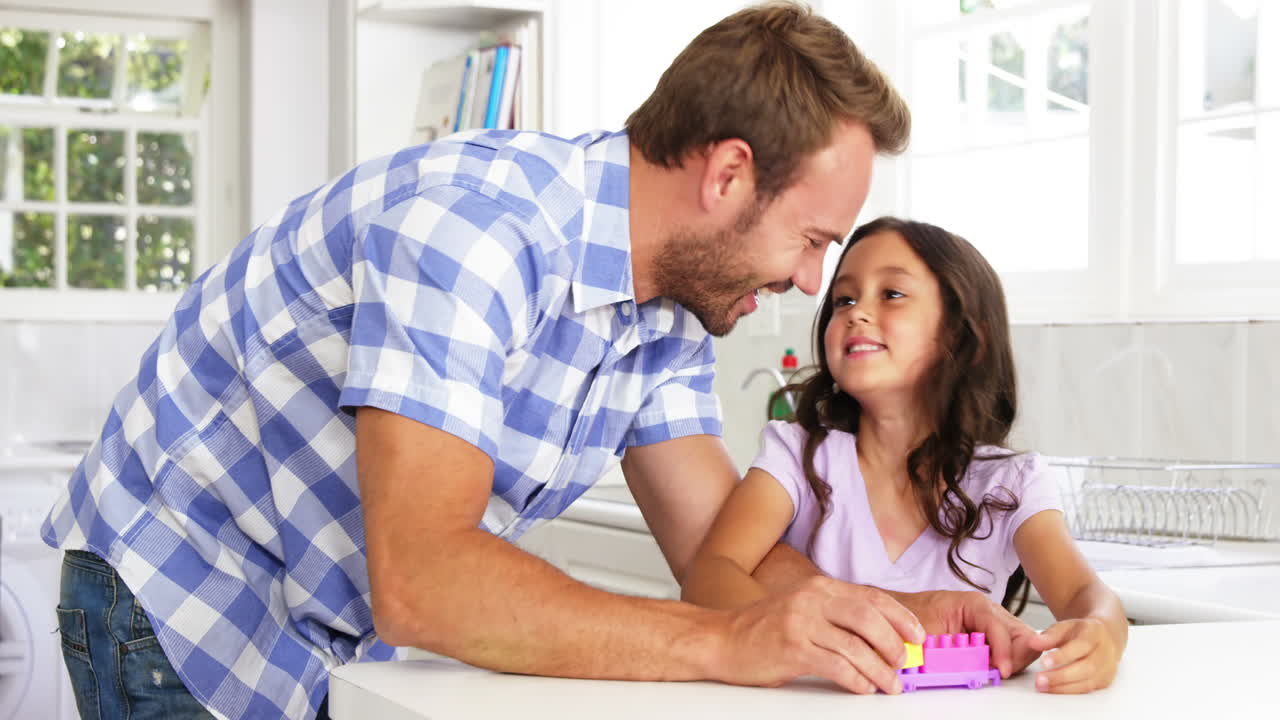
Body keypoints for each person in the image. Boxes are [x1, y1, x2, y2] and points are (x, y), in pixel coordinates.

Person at [42, 4, 1037, 719]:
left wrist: (893, 617)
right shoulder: (476, 232)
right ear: (728, 174)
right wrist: (727, 643)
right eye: (812, 239)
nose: (810, 279)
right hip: (179, 602)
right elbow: (424, 577)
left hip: (326, 626)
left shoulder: (669, 314)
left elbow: (712, 557)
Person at [682, 216, 1129, 694]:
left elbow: (1086, 596)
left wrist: (1102, 635)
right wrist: (785, 629)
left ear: (960, 336)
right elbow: (710, 576)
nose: (857, 312)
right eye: (844, 299)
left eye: (891, 294)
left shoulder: (1010, 482)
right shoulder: (795, 455)